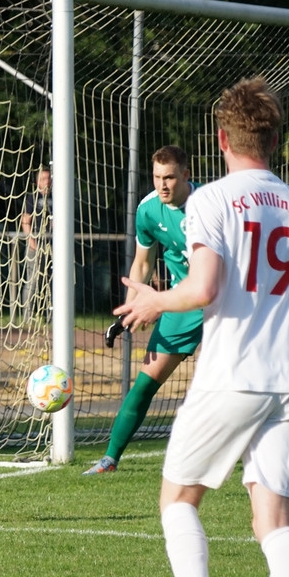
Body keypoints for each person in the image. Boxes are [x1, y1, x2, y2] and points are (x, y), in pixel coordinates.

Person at [115, 76, 289, 577]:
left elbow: (203, 288)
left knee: (178, 499)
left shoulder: (210, 200)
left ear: (221, 139)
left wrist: (153, 301)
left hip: (233, 373)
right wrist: (274, 306)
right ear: (275, 140)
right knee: (274, 521)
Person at [84, 145, 203, 475]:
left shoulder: (209, 205)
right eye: (157, 177)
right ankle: (109, 460)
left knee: (250, 383)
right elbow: (142, 262)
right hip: (181, 304)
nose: (162, 185)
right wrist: (130, 309)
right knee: (146, 382)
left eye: (170, 177)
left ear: (186, 175)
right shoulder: (149, 209)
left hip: (225, 304)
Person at [20, 166, 53, 317]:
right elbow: (25, 221)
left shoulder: (57, 197)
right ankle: (27, 317)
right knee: (33, 281)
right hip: (36, 245)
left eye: (48, 178)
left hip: (53, 246)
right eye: (43, 179)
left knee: (52, 282)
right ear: (37, 182)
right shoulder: (31, 198)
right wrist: (31, 241)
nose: (47, 182)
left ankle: (51, 317)